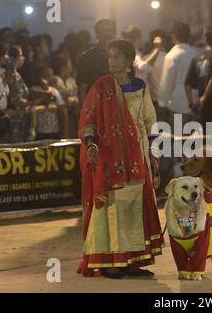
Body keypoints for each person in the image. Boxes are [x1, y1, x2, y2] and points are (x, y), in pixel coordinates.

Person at [77, 39, 163, 278]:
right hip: (109, 159)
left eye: (116, 56)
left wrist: (154, 153)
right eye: (110, 56)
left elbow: (150, 121)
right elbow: (88, 119)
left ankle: (132, 260)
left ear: (128, 61)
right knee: (113, 208)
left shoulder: (140, 86)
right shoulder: (101, 87)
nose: (111, 60)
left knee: (134, 207)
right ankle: (113, 261)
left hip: (138, 157)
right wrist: (91, 144)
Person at [159, 22, 198, 128]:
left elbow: (167, 82)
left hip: (178, 104)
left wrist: (162, 103)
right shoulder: (196, 53)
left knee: (178, 140)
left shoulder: (172, 55)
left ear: (173, 35)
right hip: (195, 103)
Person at [185, 24, 212, 124]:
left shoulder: (197, 57)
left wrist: (191, 104)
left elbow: (188, 83)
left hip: (202, 110)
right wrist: (204, 98)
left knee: (205, 137)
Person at [76, 19, 116, 106]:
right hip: (96, 108)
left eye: (110, 30)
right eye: (103, 30)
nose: (108, 33)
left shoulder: (120, 56)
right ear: (97, 34)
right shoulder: (86, 57)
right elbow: (82, 89)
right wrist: (84, 113)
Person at [6, 45, 33, 143]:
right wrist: (31, 102)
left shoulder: (17, 74)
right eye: (20, 55)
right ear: (13, 59)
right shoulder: (10, 76)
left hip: (22, 121)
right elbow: (15, 100)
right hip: (13, 122)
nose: (23, 58)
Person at [50, 52, 79, 138]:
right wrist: (73, 100)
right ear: (63, 65)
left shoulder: (71, 81)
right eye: (69, 63)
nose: (71, 66)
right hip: (59, 120)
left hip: (72, 120)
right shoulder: (54, 80)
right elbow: (64, 99)